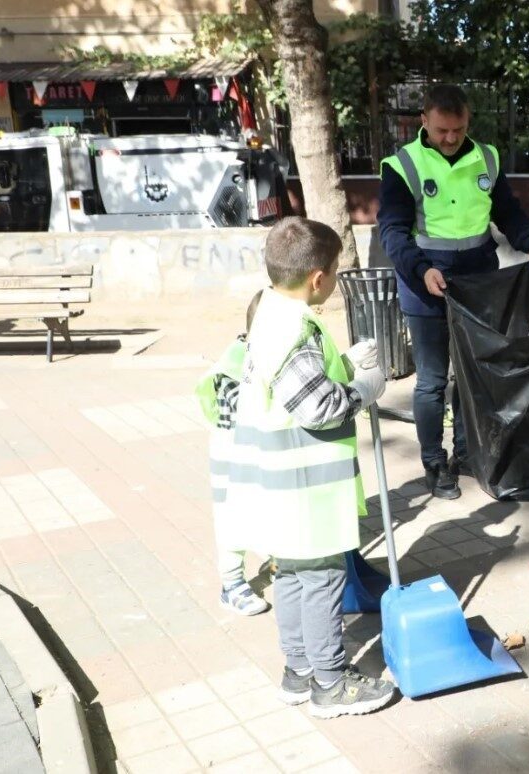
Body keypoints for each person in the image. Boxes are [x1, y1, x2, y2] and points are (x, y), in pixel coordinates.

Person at [229, 217, 395, 718]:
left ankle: (298, 671)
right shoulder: (294, 325)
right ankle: (329, 682)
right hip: (307, 488)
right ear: (318, 277)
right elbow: (317, 407)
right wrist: (368, 385)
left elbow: (296, 385)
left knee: (293, 576)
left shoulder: (268, 315)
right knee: (322, 579)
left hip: (277, 482)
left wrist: (343, 361)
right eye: (338, 269)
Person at [378, 83, 529, 500]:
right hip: (426, 286)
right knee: (432, 381)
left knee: (474, 376)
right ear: (424, 120)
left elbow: (507, 211)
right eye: (442, 130)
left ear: (467, 121)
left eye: (458, 129)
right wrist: (421, 271)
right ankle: (435, 463)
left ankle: (466, 451)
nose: (450, 138)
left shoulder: (487, 158)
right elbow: (393, 232)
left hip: (479, 284)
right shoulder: (403, 164)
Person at [194, 289, 270, 616]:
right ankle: (231, 582)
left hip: (263, 451)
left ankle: (277, 556)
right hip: (232, 455)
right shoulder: (235, 363)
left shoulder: (266, 351)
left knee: (270, 506)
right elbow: (248, 410)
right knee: (232, 517)